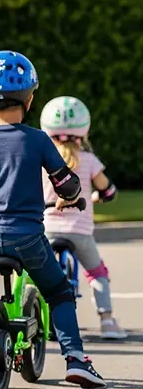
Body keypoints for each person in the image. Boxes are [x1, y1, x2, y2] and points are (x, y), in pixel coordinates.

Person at [0, 51, 106, 389]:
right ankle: (76, 360)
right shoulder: (38, 139)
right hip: (27, 237)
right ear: (29, 99)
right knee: (59, 291)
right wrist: (69, 197)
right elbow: (67, 183)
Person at [40, 96, 126, 339]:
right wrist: (102, 195)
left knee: (35, 271)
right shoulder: (88, 160)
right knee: (97, 272)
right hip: (80, 231)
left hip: (46, 229)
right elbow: (106, 188)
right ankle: (107, 321)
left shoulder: (42, 160)